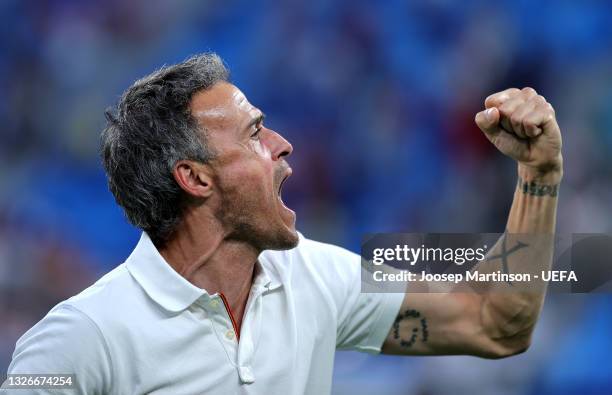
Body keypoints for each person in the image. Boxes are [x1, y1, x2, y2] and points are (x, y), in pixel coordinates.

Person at [5, 54, 563, 394]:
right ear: (195, 178)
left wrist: (539, 174)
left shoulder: (317, 279)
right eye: (254, 133)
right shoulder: (79, 340)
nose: (282, 144)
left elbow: (497, 322)